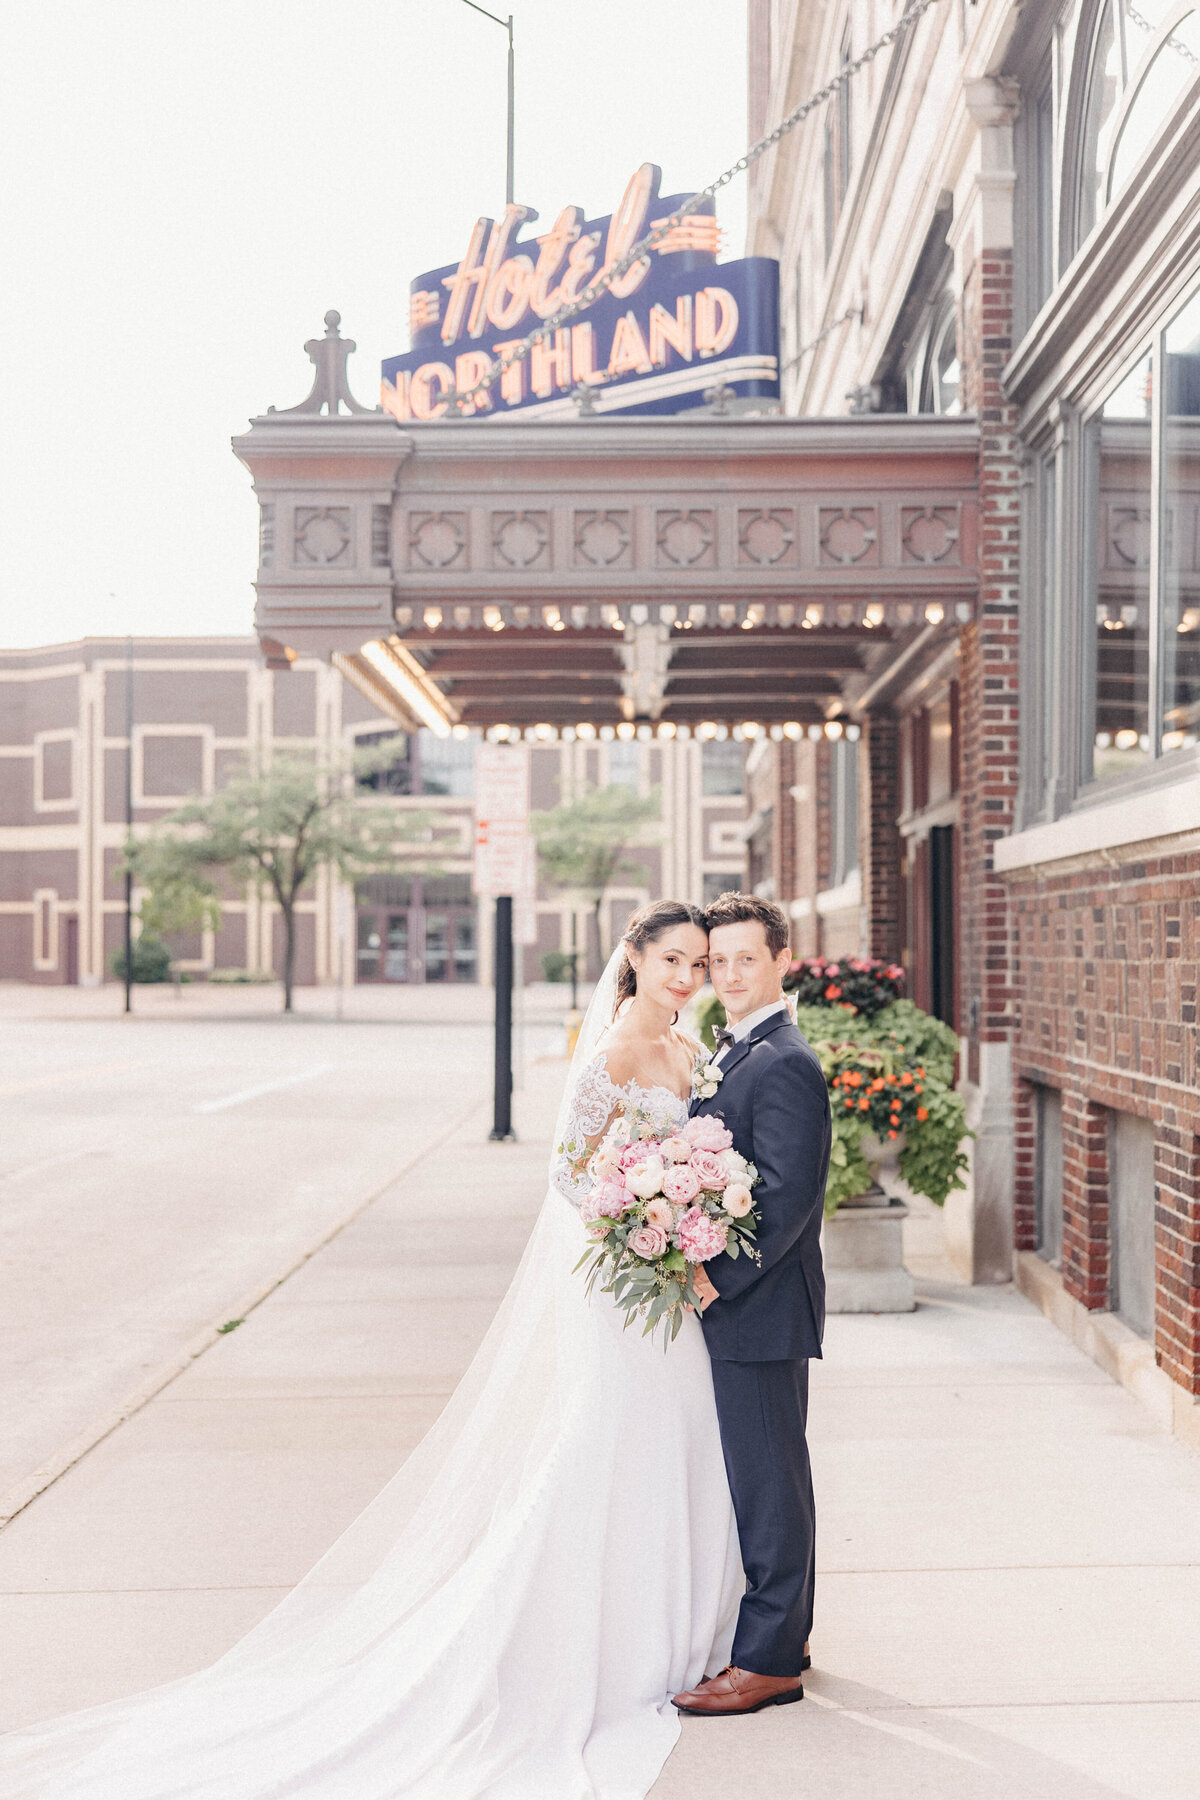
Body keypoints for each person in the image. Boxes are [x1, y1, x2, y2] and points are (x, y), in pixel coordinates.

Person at [0, 900, 746, 1800]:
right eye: (673, 959)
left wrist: (693, 1209)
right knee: (612, 1434)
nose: (686, 977)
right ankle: (587, 1637)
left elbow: (700, 1148)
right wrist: (646, 1216)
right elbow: (571, 1173)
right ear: (632, 956)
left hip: (671, 1280)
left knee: (679, 1434)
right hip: (622, 1282)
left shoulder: (689, 1048)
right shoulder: (613, 1054)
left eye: (699, 963)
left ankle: (680, 1623)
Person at [672, 891, 830, 1719]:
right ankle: (789, 1631)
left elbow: (785, 1197)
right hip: (743, 1305)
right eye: (717, 961)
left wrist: (712, 1280)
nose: (728, 974)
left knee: (770, 1483)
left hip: (759, 1308)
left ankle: (769, 1662)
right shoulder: (736, 1049)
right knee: (765, 1476)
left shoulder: (785, 1062)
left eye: (744, 959)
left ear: (780, 961)